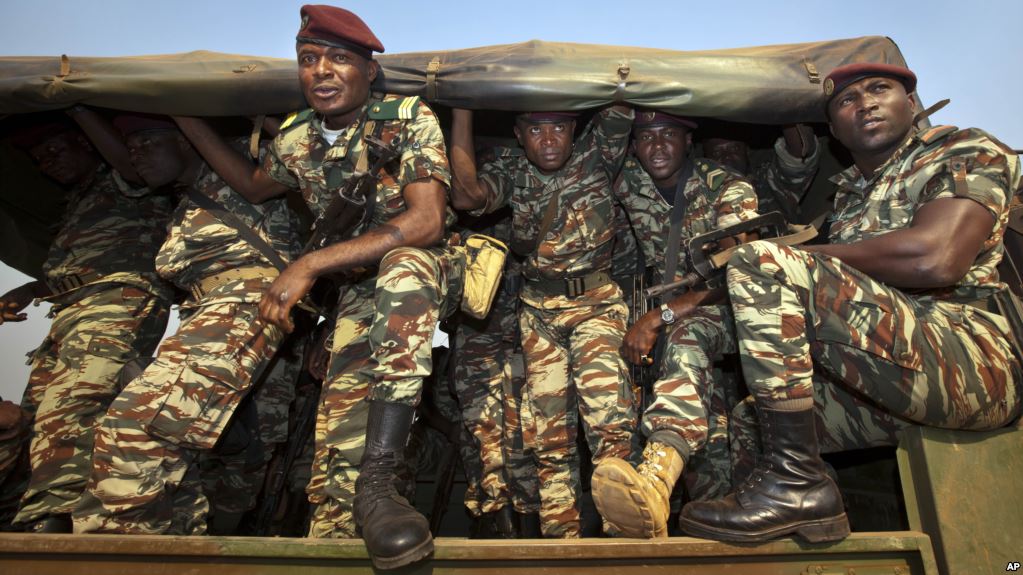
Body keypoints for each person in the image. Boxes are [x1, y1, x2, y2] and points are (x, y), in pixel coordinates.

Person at [679, 63, 1021, 543]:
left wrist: (786, 258)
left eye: (880, 89)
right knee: (749, 420)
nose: (865, 103)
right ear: (834, 131)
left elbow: (937, 258)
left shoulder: (963, 149)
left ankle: (796, 485)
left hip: (970, 361)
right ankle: (800, 529)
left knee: (764, 261)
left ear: (912, 103)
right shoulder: (848, 197)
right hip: (896, 361)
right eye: (846, 100)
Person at [173, 6, 463, 568]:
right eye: (309, 60)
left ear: (368, 71)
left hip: (422, 272)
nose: (322, 72)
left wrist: (310, 264)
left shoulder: (405, 117)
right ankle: (338, 526)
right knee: (338, 431)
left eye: (339, 59)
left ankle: (380, 484)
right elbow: (255, 186)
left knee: (404, 269)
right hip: (354, 294)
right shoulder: (297, 136)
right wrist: (186, 118)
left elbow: (427, 221)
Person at [69, 113, 301, 535]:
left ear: (186, 142)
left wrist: (183, 112)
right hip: (206, 307)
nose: (135, 155)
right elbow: (125, 165)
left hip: (247, 300)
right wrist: (81, 111)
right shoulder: (184, 195)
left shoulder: (248, 167)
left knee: (137, 427)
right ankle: (181, 545)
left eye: (147, 142)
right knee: (182, 449)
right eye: (132, 146)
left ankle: (119, 552)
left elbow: (309, 152)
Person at [449, 105, 637, 538]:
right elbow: (466, 197)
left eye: (558, 128)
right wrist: (462, 109)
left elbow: (623, 92)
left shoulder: (597, 154)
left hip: (595, 305)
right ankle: (561, 543)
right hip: (538, 315)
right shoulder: (514, 170)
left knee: (608, 422)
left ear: (575, 131)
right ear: (519, 135)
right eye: (536, 129)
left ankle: (625, 535)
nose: (549, 139)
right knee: (549, 439)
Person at [591, 110, 759, 538]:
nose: (658, 146)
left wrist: (661, 315)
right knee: (709, 439)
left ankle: (655, 480)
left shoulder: (726, 187)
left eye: (669, 134)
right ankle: (678, 519)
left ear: (689, 141)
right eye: (646, 137)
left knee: (688, 336)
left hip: (732, 315)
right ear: (634, 146)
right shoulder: (629, 180)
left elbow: (743, 271)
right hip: (669, 327)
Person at [2, 117, 174, 533]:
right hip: (70, 309)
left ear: (84, 143)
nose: (47, 165)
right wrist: (30, 289)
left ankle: (53, 518)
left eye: (55, 151)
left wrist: (77, 106)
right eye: (40, 160)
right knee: (34, 415)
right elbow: (90, 259)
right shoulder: (78, 198)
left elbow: (130, 169)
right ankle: (23, 513)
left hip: (116, 300)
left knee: (74, 407)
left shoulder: (123, 177)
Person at [702, 123, 820, 222]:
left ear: (747, 151)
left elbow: (799, 156)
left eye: (734, 149)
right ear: (707, 161)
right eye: (717, 153)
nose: (727, 156)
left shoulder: (766, 183)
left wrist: (787, 109)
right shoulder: (698, 197)